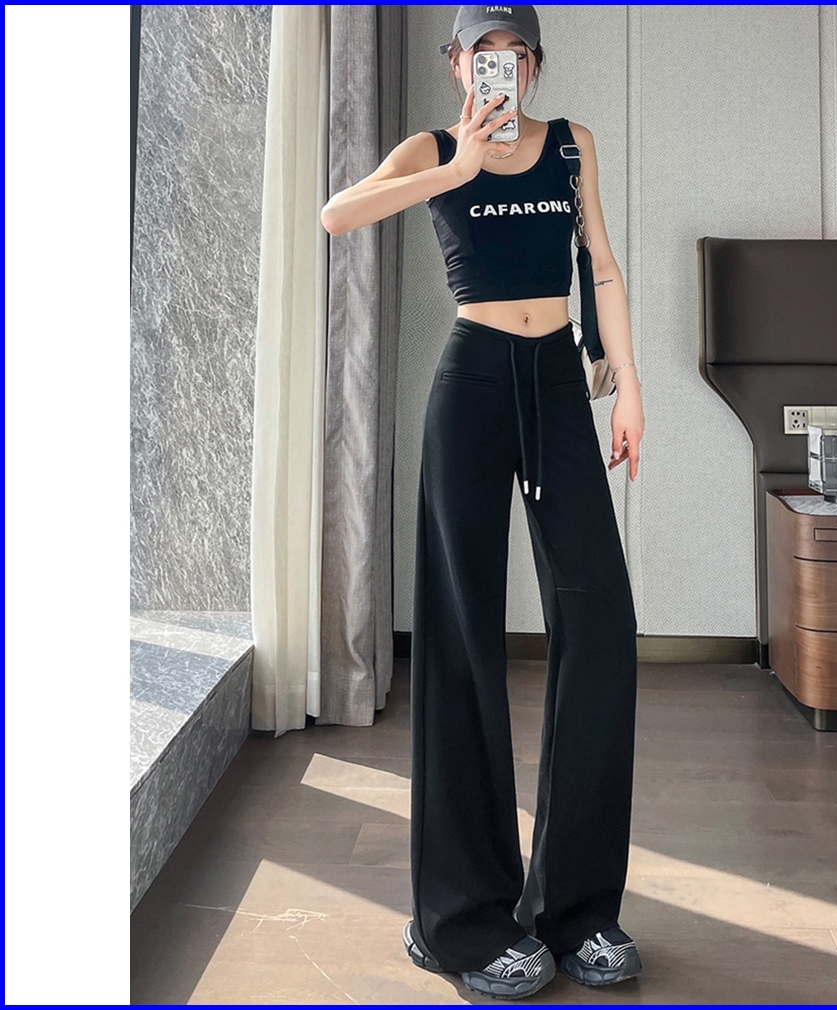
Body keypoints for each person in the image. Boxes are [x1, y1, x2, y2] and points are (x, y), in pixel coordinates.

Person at [320, 5, 644, 1000]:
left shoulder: (572, 144)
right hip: (470, 382)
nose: (499, 69)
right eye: (481, 53)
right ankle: (459, 920)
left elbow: (600, 262)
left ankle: (578, 909)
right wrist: (455, 167)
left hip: (556, 381)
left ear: (533, 67)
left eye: (516, 54)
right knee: (463, 639)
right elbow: (337, 215)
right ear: (456, 64)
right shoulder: (430, 149)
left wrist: (628, 383)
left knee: (601, 622)